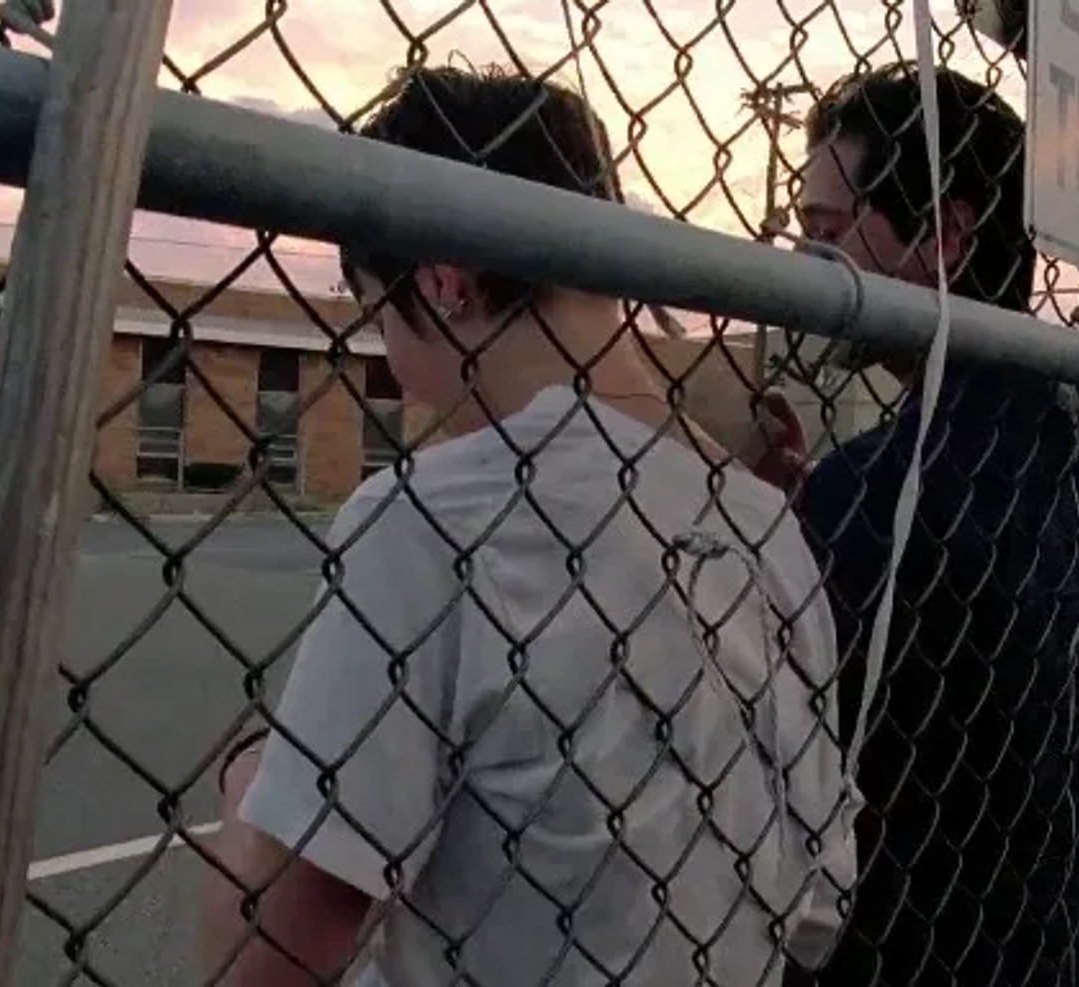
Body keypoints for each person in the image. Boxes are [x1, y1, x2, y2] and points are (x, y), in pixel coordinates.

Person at [197, 65, 854, 987]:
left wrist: (248, 787)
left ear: (442, 278)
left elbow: (271, 959)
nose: (388, 357)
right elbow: (816, 904)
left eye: (376, 305)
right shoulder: (761, 523)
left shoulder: (433, 519)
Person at [772, 64, 1079, 986]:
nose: (802, 264)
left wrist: (763, 537)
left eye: (827, 233)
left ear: (941, 232)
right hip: (1069, 939)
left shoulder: (878, 490)